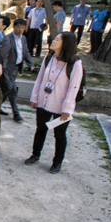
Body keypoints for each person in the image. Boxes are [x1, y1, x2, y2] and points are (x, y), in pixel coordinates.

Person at [24, 32, 83, 174]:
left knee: (60, 134)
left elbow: (73, 87)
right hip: (44, 102)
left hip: (61, 106)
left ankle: (57, 162)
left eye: (57, 40)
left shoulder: (75, 63)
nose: (53, 41)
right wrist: (35, 97)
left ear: (66, 44)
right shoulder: (49, 58)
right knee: (41, 129)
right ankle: (35, 154)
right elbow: (40, 79)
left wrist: (67, 108)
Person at [3, 19, 35, 122]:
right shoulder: (7, 38)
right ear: (14, 27)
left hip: (16, 68)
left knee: (6, 90)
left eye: (22, 27)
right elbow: (3, 55)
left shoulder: (23, 39)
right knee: (12, 90)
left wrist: (31, 65)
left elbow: (25, 52)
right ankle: (16, 114)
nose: (20, 30)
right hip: (7, 69)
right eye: (18, 27)